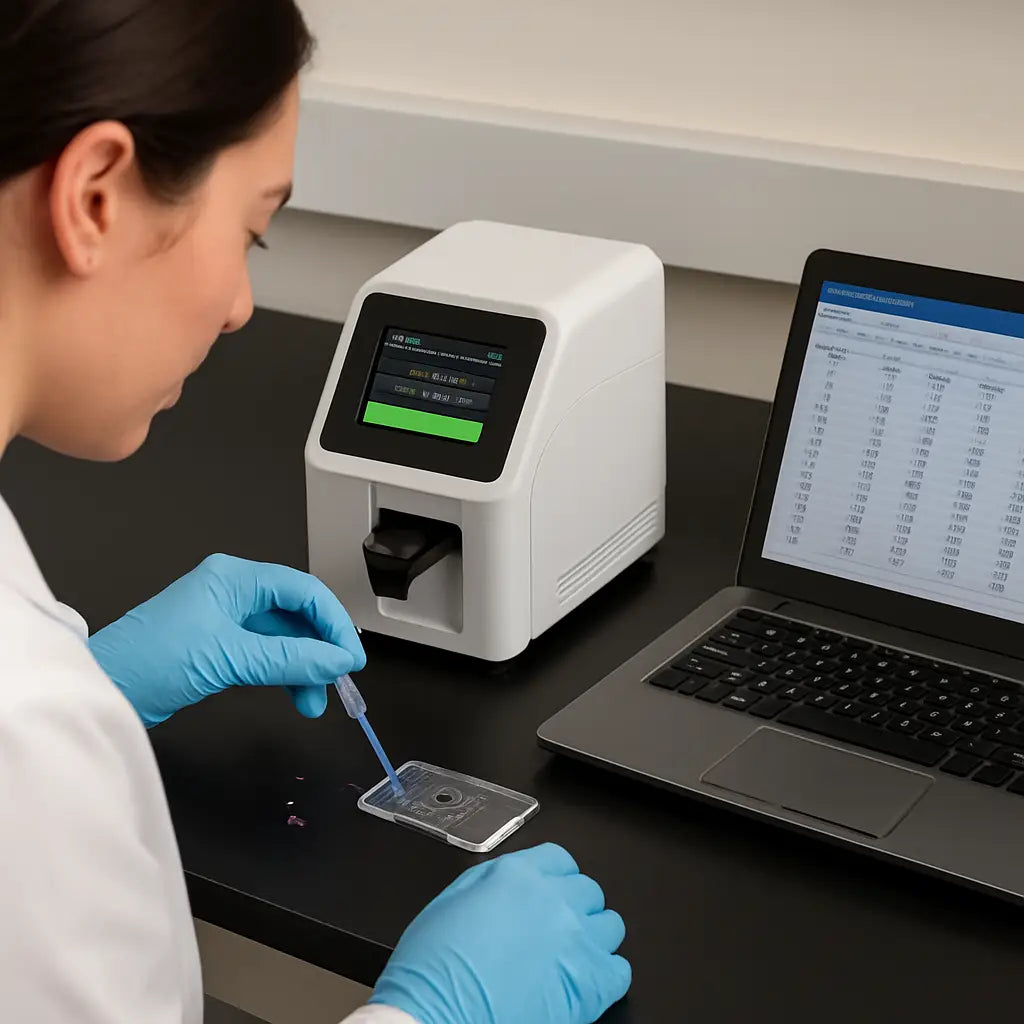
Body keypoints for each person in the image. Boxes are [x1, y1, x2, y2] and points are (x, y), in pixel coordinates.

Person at [0, 2, 632, 1023]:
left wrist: (96, 685)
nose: (242, 304)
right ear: (96, 197)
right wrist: (431, 1015)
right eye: (251, 230)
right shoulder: (26, 736)